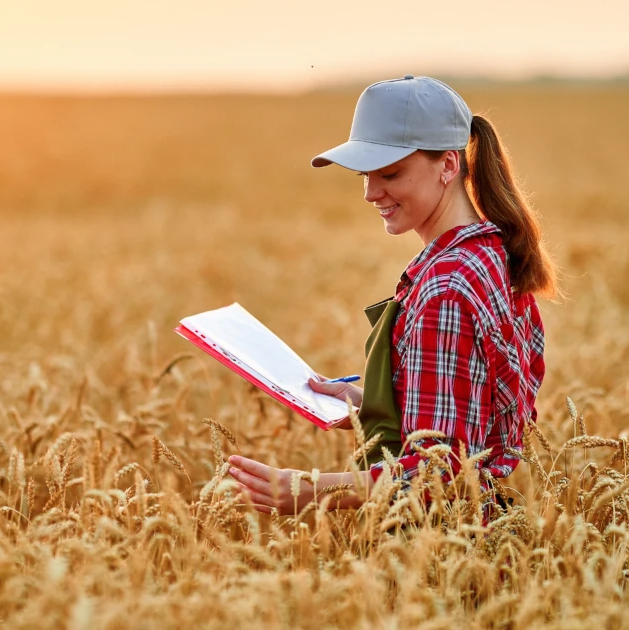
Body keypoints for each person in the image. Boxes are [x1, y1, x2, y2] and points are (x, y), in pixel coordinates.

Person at [227, 75, 558, 517]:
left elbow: (440, 472)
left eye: (391, 173)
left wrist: (307, 490)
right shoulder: (492, 256)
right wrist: (376, 404)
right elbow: (484, 416)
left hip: (439, 549)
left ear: (447, 165)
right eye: (365, 174)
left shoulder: (445, 290)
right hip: (477, 530)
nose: (370, 192)